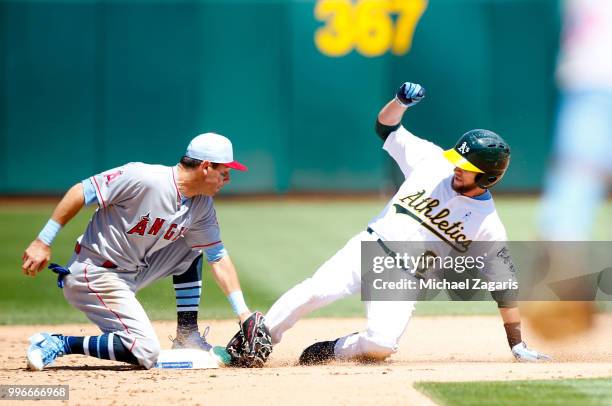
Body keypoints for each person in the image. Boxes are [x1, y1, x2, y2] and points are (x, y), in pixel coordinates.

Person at [263, 82, 549, 364]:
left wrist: (517, 344)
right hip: (371, 245)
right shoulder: (433, 161)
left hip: (404, 276)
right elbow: (385, 128)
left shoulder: (488, 224)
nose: (458, 168)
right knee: (316, 290)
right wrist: (399, 102)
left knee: (381, 346)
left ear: (487, 177)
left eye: (468, 167)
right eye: (459, 160)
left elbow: (504, 287)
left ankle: (335, 350)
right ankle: (259, 336)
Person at [22, 132, 254, 370]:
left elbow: (217, 256)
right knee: (146, 351)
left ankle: (187, 334)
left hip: (133, 271)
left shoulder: (201, 205)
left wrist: (243, 313)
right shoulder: (144, 178)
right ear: (206, 167)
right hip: (94, 273)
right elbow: (82, 191)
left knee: (193, 244)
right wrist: (43, 241)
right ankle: (58, 343)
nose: (227, 181)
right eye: (224, 173)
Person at [538, 0, 612, 240]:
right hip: (591, 76)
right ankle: (560, 262)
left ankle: (560, 260)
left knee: (577, 174)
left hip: (590, 78)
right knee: (577, 174)